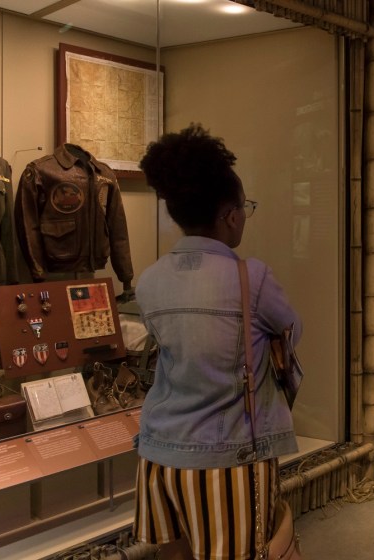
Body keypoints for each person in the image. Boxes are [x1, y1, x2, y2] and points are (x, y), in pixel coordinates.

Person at [132, 124, 302, 560]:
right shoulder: (252, 278)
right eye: (244, 207)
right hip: (229, 459)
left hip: (159, 455)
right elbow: (291, 332)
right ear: (229, 216)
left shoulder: (149, 282)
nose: (244, 215)